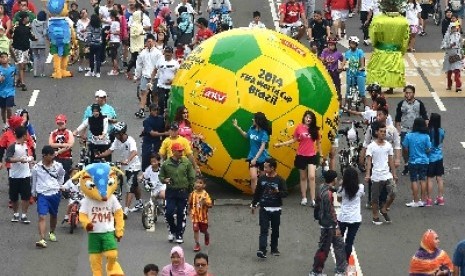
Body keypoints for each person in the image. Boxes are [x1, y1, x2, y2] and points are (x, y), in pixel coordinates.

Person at [96, 122, 143, 219]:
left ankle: (125, 210)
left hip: (134, 165)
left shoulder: (130, 141)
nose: (115, 136)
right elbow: (110, 150)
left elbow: (134, 152)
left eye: (116, 134)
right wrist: (101, 155)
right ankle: (140, 202)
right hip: (125, 166)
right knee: (134, 185)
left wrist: (128, 160)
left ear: (121, 133)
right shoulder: (117, 141)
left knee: (129, 186)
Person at [274, 110, 320, 206]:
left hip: (312, 156)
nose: (308, 119)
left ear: (312, 120)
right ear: (304, 118)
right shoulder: (299, 127)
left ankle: (313, 199)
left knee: (311, 177)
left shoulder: (315, 129)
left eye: (310, 118)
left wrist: (322, 155)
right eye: (307, 117)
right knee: (303, 177)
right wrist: (280, 144)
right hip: (301, 155)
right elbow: (294, 140)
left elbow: (318, 143)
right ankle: (304, 198)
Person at [310, 170, 347, 276]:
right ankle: (316, 271)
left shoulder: (322, 187)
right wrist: (336, 225)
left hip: (325, 223)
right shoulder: (328, 194)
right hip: (329, 225)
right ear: (334, 179)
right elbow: (331, 211)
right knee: (324, 249)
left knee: (338, 244)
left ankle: (340, 269)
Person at [159, 143, 196, 244]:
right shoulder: (166, 164)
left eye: (182, 151)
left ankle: (179, 234)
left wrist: (190, 190)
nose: (181, 153)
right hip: (171, 191)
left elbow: (191, 176)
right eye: (179, 151)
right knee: (168, 213)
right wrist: (164, 180)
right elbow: (161, 176)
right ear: (173, 151)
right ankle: (172, 229)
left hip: (183, 191)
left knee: (181, 213)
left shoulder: (186, 162)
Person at [251, 158, 287, 259]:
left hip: (276, 209)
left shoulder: (280, 180)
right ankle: (262, 249)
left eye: (266, 167)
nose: (264, 169)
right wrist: (254, 204)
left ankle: (274, 248)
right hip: (264, 209)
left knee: (275, 230)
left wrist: (278, 192)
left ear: (273, 168)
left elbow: (285, 193)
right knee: (264, 229)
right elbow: (257, 193)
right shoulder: (262, 179)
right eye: (264, 167)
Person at [31, 145, 66, 248]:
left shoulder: (58, 166)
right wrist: (33, 193)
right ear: (44, 155)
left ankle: (52, 232)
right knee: (42, 216)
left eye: (53, 155)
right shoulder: (36, 168)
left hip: (54, 193)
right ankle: (42, 239)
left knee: (53, 215)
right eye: (50, 155)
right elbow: (34, 181)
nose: (52, 157)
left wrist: (59, 185)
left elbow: (61, 175)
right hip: (42, 194)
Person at [365, 122, 397, 224]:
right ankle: (375, 216)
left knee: (393, 192)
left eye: (384, 132)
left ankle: (384, 208)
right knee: (375, 198)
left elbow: (391, 160)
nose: (383, 134)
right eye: (381, 132)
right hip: (376, 176)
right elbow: (369, 161)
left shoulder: (388, 145)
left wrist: (394, 174)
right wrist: (367, 174)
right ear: (376, 132)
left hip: (387, 174)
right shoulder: (371, 146)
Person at [233, 112, 272, 193]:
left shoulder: (264, 133)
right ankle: (255, 199)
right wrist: (237, 127)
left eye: (254, 118)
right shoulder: (252, 128)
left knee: (262, 179)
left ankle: (262, 196)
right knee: (253, 177)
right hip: (252, 157)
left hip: (262, 159)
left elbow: (262, 147)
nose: (252, 119)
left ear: (258, 120)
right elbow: (246, 135)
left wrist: (256, 158)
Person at [395, 85, 429, 175]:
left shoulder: (419, 103)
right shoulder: (401, 104)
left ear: (413, 93)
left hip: (416, 130)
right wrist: (398, 131)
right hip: (405, 129)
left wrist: (427, 129)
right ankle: (406, 165)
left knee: (416, 148)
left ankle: (416, 165)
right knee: (405, 148)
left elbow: (425, 116)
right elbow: (397, 118)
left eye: (410, 92)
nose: (408, 94)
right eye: (406, 93)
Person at [3, 126, 34, 223]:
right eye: (26, 135)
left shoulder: (26, 145)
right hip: (14, 175)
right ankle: (16, 214)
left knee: (26, 196)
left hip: (25, 175)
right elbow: (7, 158)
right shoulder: (13, 146)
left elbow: (30, 156)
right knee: (14, 196)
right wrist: (19, 160)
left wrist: (31, 160)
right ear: (24, 135)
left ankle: (24, 215)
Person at [403, 118, 432, 207]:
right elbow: (429, 149)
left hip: (413, 161)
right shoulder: (426, 136)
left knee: (414, 180)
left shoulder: (409, 136)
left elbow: (405, 147)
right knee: (422, 179)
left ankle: (415, 200)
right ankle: (422, 200)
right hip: (424, 161)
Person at [337, 167, 364, 261]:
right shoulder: (360, 187)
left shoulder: (341, 189)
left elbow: (339, 200)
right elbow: (361, 194)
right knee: (349, 242)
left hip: (343, 218)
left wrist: (341, 184)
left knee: (339, 241)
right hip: (355, 219)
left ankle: (339, 261)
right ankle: (346, 260)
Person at [134, 34, 163, 119]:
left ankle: (154, 111)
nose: (149, 43)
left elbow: (160, 66)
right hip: (145, 75)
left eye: (151, 41)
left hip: (155, 77)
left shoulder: (158, 53)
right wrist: (137, 75)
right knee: (143, 92)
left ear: (154, 42)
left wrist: (159, 77)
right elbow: (139, 65)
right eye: (147, 42)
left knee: (155, 94)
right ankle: (141, 110)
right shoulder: (142, 53)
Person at [12, 11, 35, 91]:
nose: (28, 18)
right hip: (18, 49)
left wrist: (35, 38)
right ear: (24, 19)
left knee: (23, 66)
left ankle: (18, 80)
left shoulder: (27, 28)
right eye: (27, 17)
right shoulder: (17, 28)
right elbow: (13, 37)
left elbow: (32, 37)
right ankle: (23, 83)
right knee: (21, 66)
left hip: (25, 49)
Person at [189, 177, 213, 252]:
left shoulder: (205, 194)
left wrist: (205, 202)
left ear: (204, 185)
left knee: (203, 230)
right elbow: (190, 203)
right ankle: (197, 244)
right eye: (197, 182)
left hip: (203, 217)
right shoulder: (192, 194)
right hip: (195, 216)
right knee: (195, 230)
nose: (198, 184)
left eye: (200, 183)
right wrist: (189, 210)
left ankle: (206, 234)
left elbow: (210, 205)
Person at [153, 46, 179, 115]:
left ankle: (169, 115)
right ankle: (160, 115)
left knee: (169, 101)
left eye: (169, 52)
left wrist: (173, 81)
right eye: (166, 52)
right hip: (161, 85)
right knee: (161, 101)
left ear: (172, 54)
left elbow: (178, 75)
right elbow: (155, 70)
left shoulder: (175, 63)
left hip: (170, 87)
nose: (167, 54)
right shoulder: (160, 61)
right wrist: (152, 79)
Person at [342, 36, 367, 107]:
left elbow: (362, 61)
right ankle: (346, 105)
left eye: (354, 43)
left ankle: (366, 106)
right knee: (348, 91)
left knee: (362, 92)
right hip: (350, 74)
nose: (352, 45)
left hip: (359, 73)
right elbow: (344, 62)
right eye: (351, 43)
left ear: (356, 44)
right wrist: (341, 67)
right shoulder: (347, 53)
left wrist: (362, 67)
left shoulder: (360, 52)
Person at [427, 113, 446, 206]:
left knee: (430, 179)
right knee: (439, 178)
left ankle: (429, 199)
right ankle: (440, 198)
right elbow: (441, 140)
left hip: (430, 158)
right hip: (439, 157)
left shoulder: (429, 131)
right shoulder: (441, 131)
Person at [49, 114, 75, 180]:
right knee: (55, 176)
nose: (60, 125)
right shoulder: (53, 133)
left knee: (66, 176)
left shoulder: (69, 132)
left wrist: (59, 151)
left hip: (66, 158)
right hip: (56, 158)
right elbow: (51, 144)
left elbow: (70, 144)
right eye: (58, 123)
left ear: (65, 122)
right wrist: (63, 145)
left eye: (62, 123)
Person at [141, 104, 167, 170]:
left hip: (157, 143)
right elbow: (152, 133)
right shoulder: (147, 121)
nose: (156, 111)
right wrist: (164, 133)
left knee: (156, 161)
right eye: (154, 110)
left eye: (157, 110)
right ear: (150, 111)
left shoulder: (161, 119)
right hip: (148, 144)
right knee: (146, 161)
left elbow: (164, 128)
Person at [442, 21, 463, 92]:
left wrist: (462, 53)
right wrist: (449, 45)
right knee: (449, 72)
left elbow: (461, 45)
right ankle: (449, 85)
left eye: (455, 28)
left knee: (457, 71)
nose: (454, 29)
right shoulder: (447, 35)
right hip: (449, 55)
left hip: (456, 55)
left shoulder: (458, 35)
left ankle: (458, 86)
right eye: (453, 28)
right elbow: (442, 46)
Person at [320, 38, 343, 105]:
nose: (331, 46)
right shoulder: (325, 51)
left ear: (335, 46)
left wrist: (341, 67)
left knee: (337, 88)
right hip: (327, 72)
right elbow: (322, 59)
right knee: (326, 87)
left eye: (332, 45)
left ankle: (340, 103)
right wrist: (325, 61)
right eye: (329, 45)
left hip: (335, 72)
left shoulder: (338, 53)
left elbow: (343, 59)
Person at [126, 10, 145, 79]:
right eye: (141, 16)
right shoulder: (134, 25)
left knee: (138, 60)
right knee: (134, 59)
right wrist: (139, 34)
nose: (142, 17)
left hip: (140, 44)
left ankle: (136, 73)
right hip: (135, 45)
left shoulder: (140, 24)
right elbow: (132, 35)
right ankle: (128, 70)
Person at [0, 51, 16, 126]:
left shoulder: (13, 68)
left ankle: (9, 123)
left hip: (10, 91)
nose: (3, 59)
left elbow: (16, 76)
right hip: (1, 92)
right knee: (3, 109)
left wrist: (16, 81)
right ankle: (4, 123)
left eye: (5, 57)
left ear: (8, 58)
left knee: (9, 108)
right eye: (1, 57)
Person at [30, 11, 47, 78]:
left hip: (34, 40)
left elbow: (31, 29)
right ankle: (42, 73)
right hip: (41, 41)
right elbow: (45, 33)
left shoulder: (34, 21)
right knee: (42, 57)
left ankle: (35, 72)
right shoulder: (44, 23)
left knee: (35, 56)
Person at [107, 10, 121, 76]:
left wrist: (111, 32)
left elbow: (118, 32)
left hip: (115, 42)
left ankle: (115, 70)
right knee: (114, 57)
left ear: (112, 16)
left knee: (113, 57)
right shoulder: (113, 23)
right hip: (114, 41)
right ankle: (115, 69)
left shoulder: (116, 23)